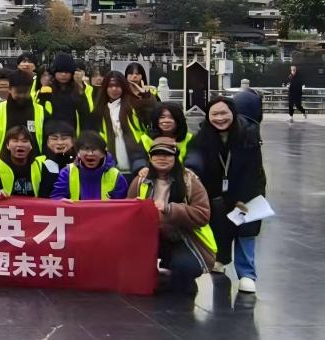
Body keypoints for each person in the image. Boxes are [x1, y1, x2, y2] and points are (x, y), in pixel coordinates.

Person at [185, 96, 266, 294]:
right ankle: (220, 259)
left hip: (247, 189)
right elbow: (194, 157)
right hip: (216, 191)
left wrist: (243, 198)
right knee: (219, 224)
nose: (219, 118)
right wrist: (191, 170)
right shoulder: (202, 136)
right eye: (214, 114)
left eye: (224, 113)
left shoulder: (249, 135)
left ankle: (247, 274)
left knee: (246, 229)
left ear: (233, 113)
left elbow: (253, 170)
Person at [128, 137, 216, 294]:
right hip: (149, 236)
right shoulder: (140, 181)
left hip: (184, 238)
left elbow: (203, 214)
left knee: (184, 268)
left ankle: (178, 277)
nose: (162, 158)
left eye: (167, 154)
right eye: (157, 154)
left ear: (175, 157)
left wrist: (170, 210)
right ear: (150, 157)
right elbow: (128, 212)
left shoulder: (190, 181)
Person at [91, 71, 148, 175]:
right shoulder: (100, 109)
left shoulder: (134, 105)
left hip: (137, 159)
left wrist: (146, 96)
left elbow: (152, 114)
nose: (114, 89)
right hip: (109, 159)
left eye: (118, 86)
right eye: (110, 86)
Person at [50, 130, 128, 201]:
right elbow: (56, 197)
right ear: (78, 153)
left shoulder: (116, 176)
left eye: (95, 149)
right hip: (76, 212)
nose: (90, 153)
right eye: (85, 149)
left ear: (103, 153)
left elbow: (123, 204)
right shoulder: (67, 172)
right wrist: (61, 200)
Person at [0, 70, 45, 155]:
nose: (22, 95)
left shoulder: (40, 111)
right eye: (18, 92)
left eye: (25, 92)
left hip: (35, 161)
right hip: (2, 161)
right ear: (10, 89)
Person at [40, 52, 90, 133]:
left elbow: (85, 112)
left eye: (67, 72)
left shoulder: (77, 89)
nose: (63, 75)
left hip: (72, 132)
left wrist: (79, 85)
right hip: (51, 133)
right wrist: (44, 87)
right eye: (60, 71)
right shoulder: (48, 89)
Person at [35, 120, 75, 198]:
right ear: (47, 142)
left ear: (73, 141)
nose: (59, 142)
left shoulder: (79, 162)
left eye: (64, 138)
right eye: (54, 138)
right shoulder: (38, 162)